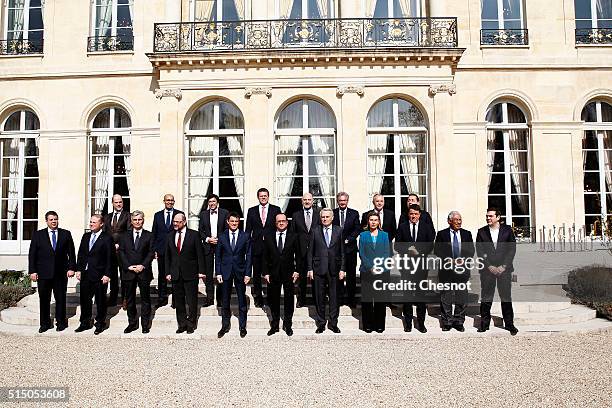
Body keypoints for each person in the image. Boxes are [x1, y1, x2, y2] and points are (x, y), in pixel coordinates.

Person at [28, 211, 76, 333]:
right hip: (43, 273)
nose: (54, 221)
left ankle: (61, 322)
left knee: (60, 298)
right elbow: (32, 254)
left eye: (55, 219)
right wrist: (32, 271)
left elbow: (71, 253)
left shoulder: (65, 234)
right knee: (44, 299)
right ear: (47, 221)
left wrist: (71, 268)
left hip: (60, 273)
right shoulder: (38, 235)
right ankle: (44, 324)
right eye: (51, 220)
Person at [476, 208, 518, 335]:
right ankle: (484, 324)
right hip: (487, 270)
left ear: (498, 217)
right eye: (487, 216)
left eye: (491, 216)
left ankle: (510, 324)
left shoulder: (507, 231)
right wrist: (489, 266)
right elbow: (480, 251)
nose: (488, 218)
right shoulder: (481, 232)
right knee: (486, 297)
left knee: (505, 297)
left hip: (504, 270)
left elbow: (511, 249)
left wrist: (504, 266)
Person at [395, 204, 435, 333]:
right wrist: (408, 250)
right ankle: (408, 323)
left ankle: (421, 323)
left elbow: (430, 246)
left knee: (420, 295)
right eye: (411, 214)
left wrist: (418, 252)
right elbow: (397, 246)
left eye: (416, 214)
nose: (413, 216)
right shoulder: (402, 227)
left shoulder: (426, 227)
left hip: (421, 266)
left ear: (419, 215)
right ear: (408, 214)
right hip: (406, 266)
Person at [434, 210, 475, 332]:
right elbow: (437, 250)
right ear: (449, 221)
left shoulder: (467, 234)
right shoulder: (442, 234)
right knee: (446, 297)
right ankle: (447, 322)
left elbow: (471, 251)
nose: (458, 222)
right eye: (456, 220)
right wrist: (449, 260)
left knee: (461, 297)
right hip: (446, 270)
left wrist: (463, 260)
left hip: (462, 270)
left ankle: (458, 321)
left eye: (460, 220)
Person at [164, 213, 205, 334]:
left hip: (190, 273)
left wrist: (201, 271)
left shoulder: (194, 235)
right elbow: (168, 256)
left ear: (184, 222)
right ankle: (181, 324)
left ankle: (191, 323)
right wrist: (167, 272)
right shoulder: (170, 236)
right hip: (176, 273)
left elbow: (200, 255)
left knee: (192, 300)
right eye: (174, 222)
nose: (175, 224)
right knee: (179, 300)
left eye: (178, 222)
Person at [307, 208, 345, 334]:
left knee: (334, 298)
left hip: (334, 269)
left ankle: (333, 323)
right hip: (319, 269)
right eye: (323, 217)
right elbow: (310, 252)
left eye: (327, 217)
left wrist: (342, 269)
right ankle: (321, 323)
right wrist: (310, 269)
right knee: (319, 297)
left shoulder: (339, 230)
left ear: (332, 217)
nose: (324, 219)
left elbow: (342, 252)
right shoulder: (315, 231)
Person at [75, 215, 113, 335]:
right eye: (90, 222)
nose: (91, 224)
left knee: (100, 301)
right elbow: (81, 254)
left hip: (100, 275)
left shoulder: (107, 238)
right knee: (85, 300)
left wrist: (107, 274)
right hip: (86, 274)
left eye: (94, 222)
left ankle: (100, 323)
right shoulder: (86, 236)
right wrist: (79, 269)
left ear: (101, 224)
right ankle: (85, 322)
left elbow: (110, 258)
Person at [216, 212, 252, 338]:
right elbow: (218, 256)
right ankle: (225, 326)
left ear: (239, 222)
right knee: (225, 300)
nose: (234, 223)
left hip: (240, 271)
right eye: (232, 221)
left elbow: (249, 256)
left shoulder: (245, 236)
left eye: (236, 221)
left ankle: (242, 327)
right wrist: (218, 272)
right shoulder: (222, 236)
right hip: (225, 272)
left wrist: (248, 273)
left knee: (241, 299)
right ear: (227, 222)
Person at [262, 213, 299, 336]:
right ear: (275, 223)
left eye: (283, 221)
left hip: (289, 273)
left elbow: (299, 256)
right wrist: (266, 272)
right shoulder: (268, 236)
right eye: (279, 221)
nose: (281, 223)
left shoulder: (294, 236)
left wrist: (297, 270)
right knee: (273, 300)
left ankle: (288, 325)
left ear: (287, 223)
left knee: (289, 299)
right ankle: (275, 325)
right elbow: (265, 257)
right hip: (273, 273)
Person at [118, 210, 155, 334]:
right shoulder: (124, 235)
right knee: (130, 299)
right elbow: (121, 252)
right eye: (135, 220)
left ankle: (145, 324)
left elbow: (151, 253)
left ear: (143, 220)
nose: (137, 222)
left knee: (145, 299)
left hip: (143, 272)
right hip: (129, 272)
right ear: (131, 221)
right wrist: (128, 266)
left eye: (139, 219)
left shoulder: (149, 235)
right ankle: (132, 324)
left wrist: (143, 265)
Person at [245, 187, 281, 307]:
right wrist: (247, 246)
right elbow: (248, 230)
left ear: (268, 196)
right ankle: (258, 297)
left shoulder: (276, 210)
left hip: (271, 247)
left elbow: (279, 228)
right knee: (256, 274)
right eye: (261, 196)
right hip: (256, 246)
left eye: (265, 195)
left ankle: (271, 297)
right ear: (258, 197)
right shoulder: (251, 211)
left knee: (271, 273)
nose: (263, 197)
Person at [358, 211, 391, 333]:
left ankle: (379, 324)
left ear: (379, 222)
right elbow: (362, 253)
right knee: (367, 299)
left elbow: (386, 253)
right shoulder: (363, 235)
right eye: (371, 220)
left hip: (382, 271)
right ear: (368, 221)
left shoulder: (384, 235)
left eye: (375, 220)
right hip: (367, 271)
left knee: (380, 299)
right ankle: (367, 324)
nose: (373, 222)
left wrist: (378, 266)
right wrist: (370, 267)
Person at [151, 194, 183, 308]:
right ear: (164, 201)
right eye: (167, 200)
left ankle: (176, 300)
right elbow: (154, 232)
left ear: (174, 202)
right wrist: (153, 249)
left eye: (171, 200)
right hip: (161, 250)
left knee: (175, 274)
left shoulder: (179, 214)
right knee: (162, 275)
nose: (169, 202)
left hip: (175, 249)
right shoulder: (158, 215)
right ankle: (162, 298)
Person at [198, 194, 228, 307]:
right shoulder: (203, 214)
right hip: (208, 247)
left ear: (217, 202)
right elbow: (200, 231)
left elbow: (227, 229)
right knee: (209, 274)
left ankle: (220, 299)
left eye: (214, 201)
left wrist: (219, 240)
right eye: (210, 201)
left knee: (220, 272)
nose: (212, 203)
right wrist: (208, 239)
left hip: (221, 246)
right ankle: (209, 298)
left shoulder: (224, 213)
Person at [290, 193, 320, 307]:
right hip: (300, 250)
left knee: (316, 277)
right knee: (302, 277)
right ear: (302, 201)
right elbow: (293, 233)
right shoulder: (296, 215)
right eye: (305, 200)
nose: (307, 201)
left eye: (309, 200)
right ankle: (301, 300)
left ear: (313, 201)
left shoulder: (318, 214)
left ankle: (315, 299)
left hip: (315, 250)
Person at [333, 191, 360, 308]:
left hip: (350, 249)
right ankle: (339, 299)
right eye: (340, 200)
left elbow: (357, 228)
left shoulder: (354, 213)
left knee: (351, 276)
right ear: (337, 201)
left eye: (344, 200)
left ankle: (351, 299)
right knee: (338, 275)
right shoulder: (332, 213)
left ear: (347, 201)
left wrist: (349, 239)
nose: (342, 202)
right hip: (336, 250)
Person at [102, 194, 130, 307]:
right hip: (110, 252)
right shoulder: (107, 217)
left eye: (120, 202)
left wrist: (120, 244)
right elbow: (104, 233)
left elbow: (129, 233)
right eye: (116, 202)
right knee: (112, 276)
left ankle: (125, 299)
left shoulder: (128, 216)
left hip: (123, 251)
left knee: (124, 276)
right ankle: (113, 298)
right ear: (112, 203)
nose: (118, 204)